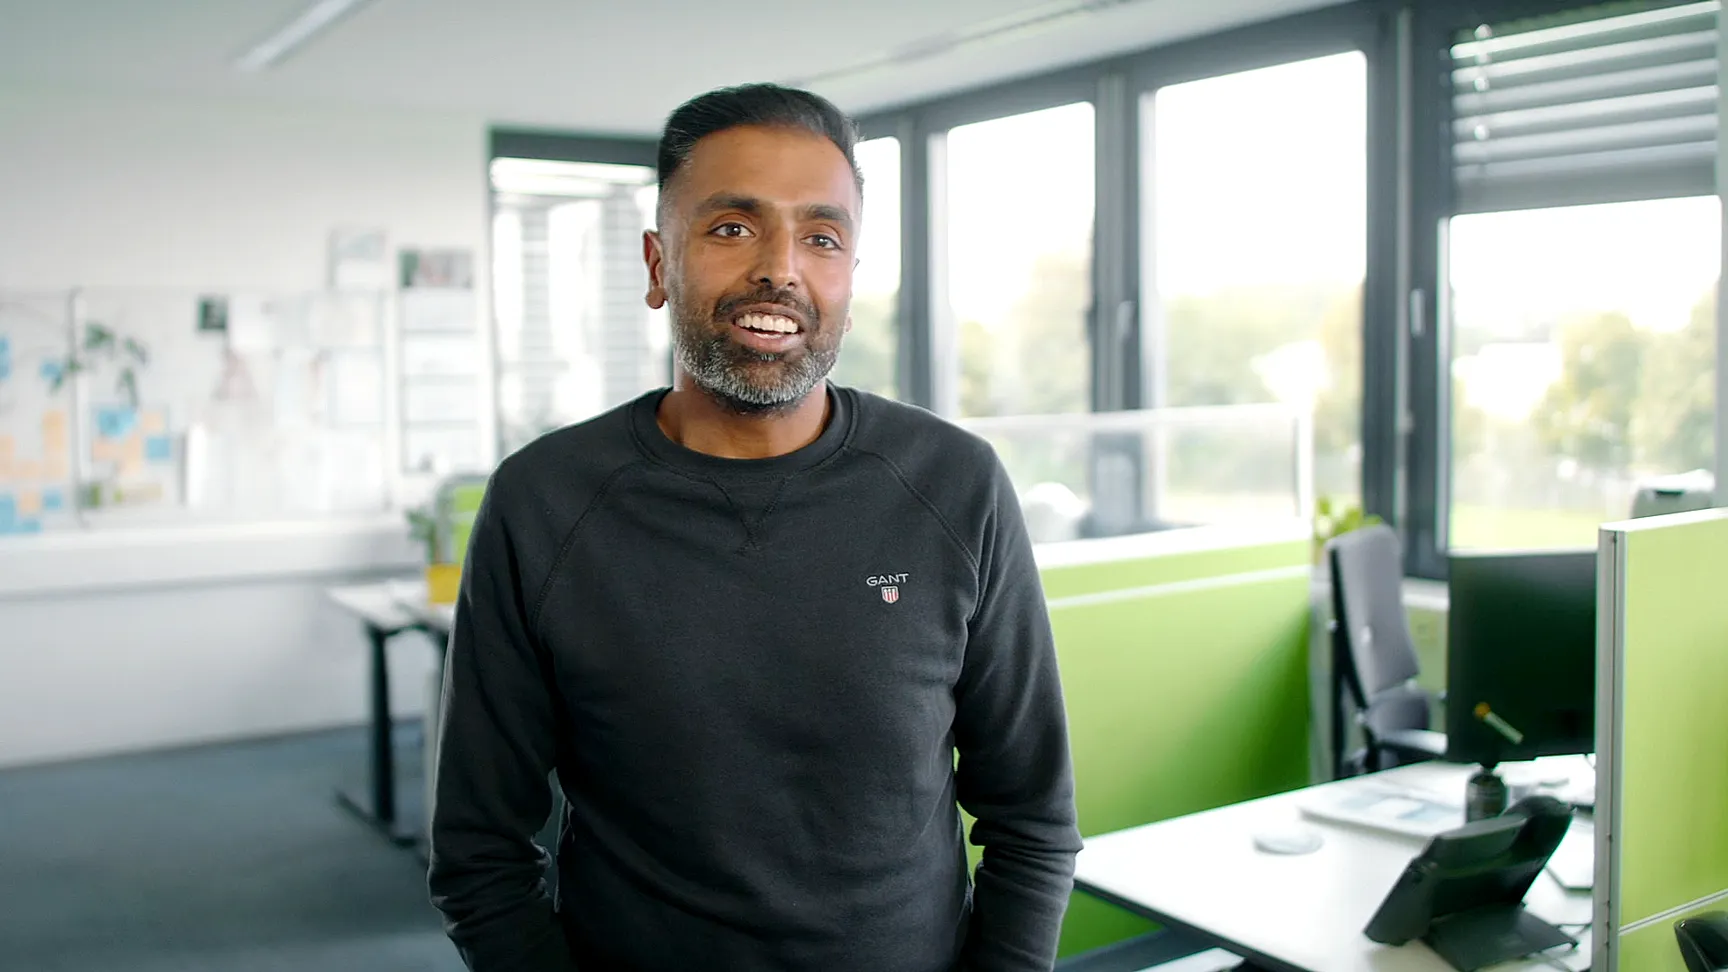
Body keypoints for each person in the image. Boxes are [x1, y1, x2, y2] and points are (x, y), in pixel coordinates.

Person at [427, 82, 1080, 972]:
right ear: (659, 266)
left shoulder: (955, 486)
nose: (782, 268)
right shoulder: (541, 503)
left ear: (850, 276)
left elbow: (1032, 816)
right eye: (732, 228)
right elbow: (478, 850)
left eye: (822, 237)